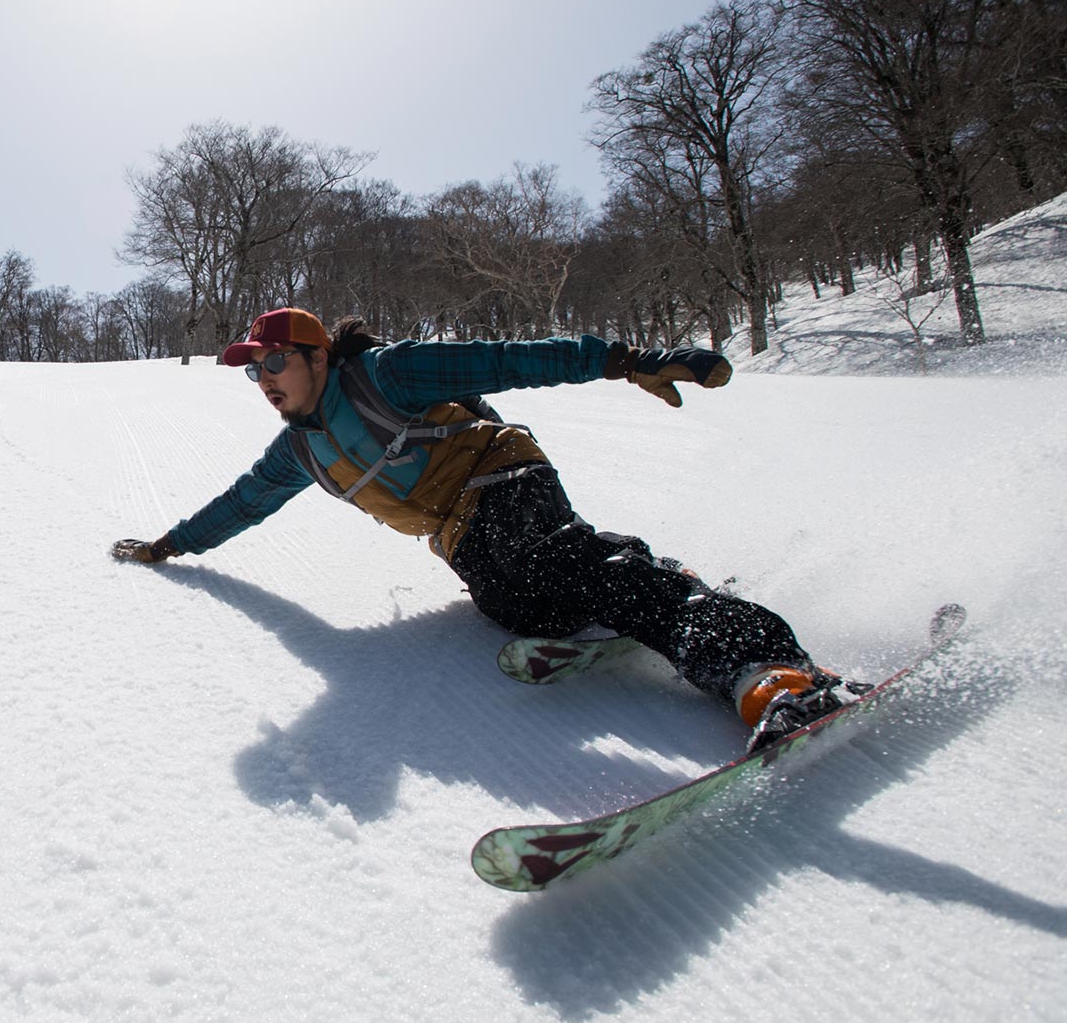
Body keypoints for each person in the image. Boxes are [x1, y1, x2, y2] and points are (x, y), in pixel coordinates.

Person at [112, 307, 862, 756]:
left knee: (559, 564)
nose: (267, 377)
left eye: (276, 360)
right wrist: (170, 546)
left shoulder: (384, 375)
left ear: (316, 356)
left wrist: (627, 360)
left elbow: (508, 359)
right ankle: (640, 571)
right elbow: (240, 503)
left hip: (501, 477)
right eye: (254, 371)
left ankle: (767, 670)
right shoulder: (299, 449)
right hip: (463, 536)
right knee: (522, 601)